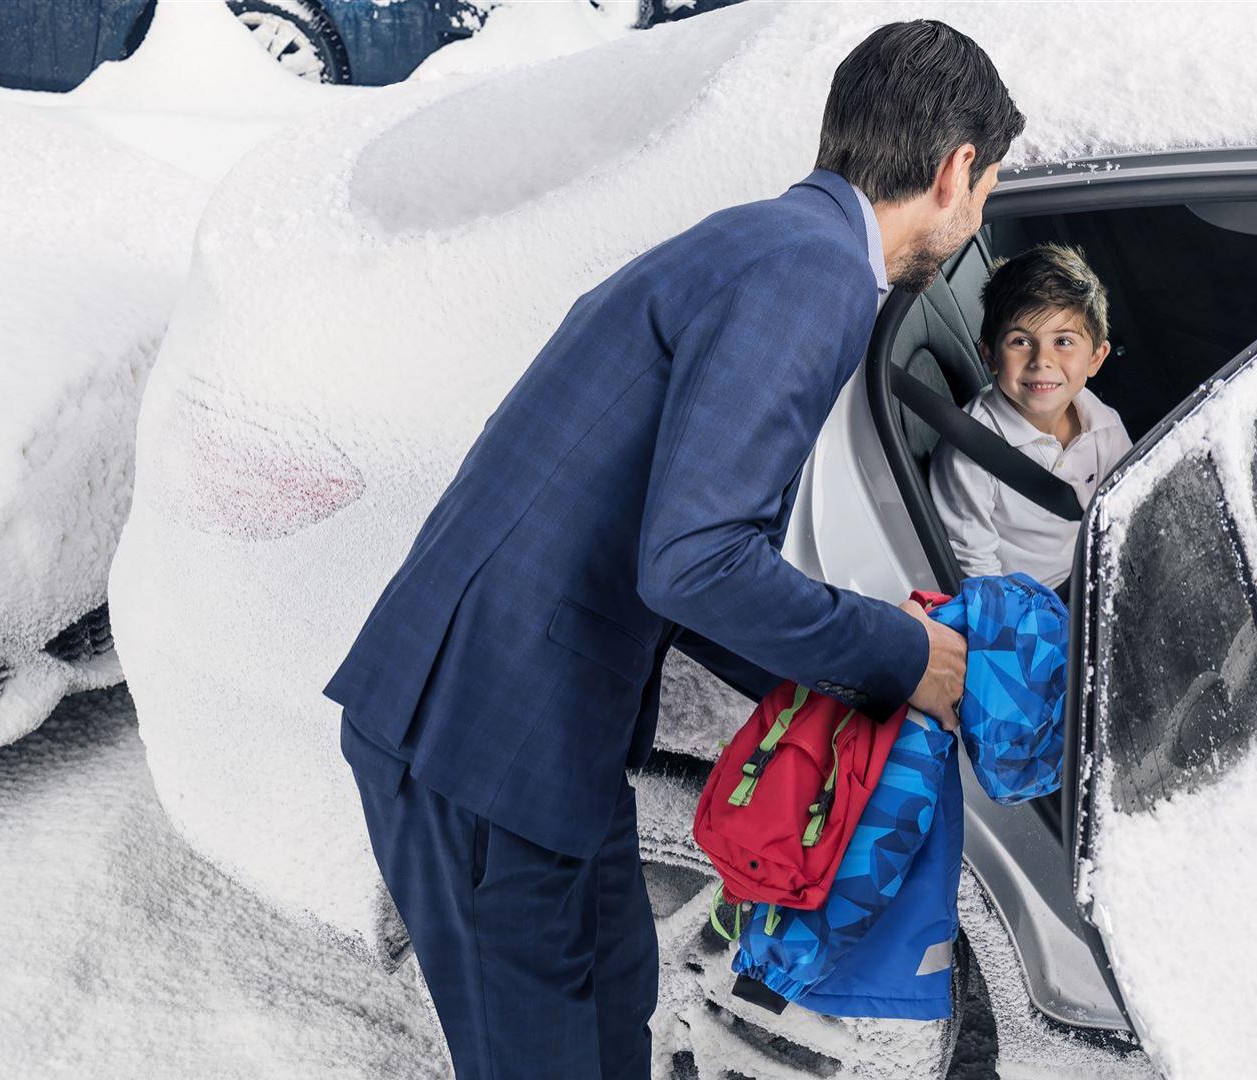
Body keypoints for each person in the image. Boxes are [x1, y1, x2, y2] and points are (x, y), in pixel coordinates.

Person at [321, 20, 1023, 1080]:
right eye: (987, 193)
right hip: (481, 740)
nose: (974, 224)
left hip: (542, 729)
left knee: (618, 1010)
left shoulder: (770, 242)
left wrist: (865, 681)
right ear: (955, 168)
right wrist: (899, 654)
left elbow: (684, 554)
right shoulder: (815, 275)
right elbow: (695, 560)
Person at [931, 243, 1131, 590]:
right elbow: (977, 568)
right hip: (1024, 606)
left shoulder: (1104, 426)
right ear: (990, 356)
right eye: (1021, 342)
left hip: (1090, 585)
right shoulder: (970, 452)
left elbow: (1125, 514)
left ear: (1095, 358)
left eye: (1063, 341)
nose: (1042, 361)